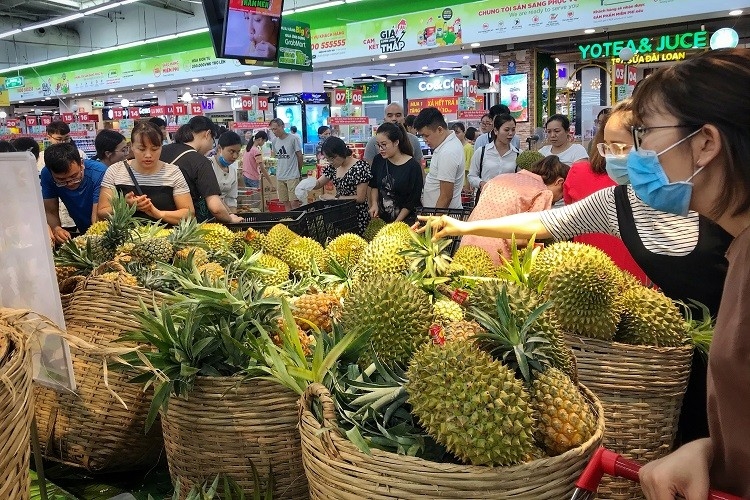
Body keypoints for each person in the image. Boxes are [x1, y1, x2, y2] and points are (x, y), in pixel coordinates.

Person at [418, 90, 733, 451]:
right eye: (607, 149)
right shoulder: (618, 204)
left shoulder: (718, 199)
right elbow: (543, 222)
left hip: (734, 344)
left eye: (624, 148)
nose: (614, 159)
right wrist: (463, 228)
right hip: (679, 350)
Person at [628, 49, 750, 500]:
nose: (636, 154)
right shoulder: (740, 249)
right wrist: (712, 451)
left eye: (645, 133)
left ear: (705, 143)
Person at [564, 101, 648, 285]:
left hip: (590, 282)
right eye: (608, 148)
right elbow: (555, 220)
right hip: (591, 282)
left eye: (619, 148)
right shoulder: (607, 193)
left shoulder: (660, 194)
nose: (611, 155)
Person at [461, 155, 569, 264]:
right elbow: (525, 237)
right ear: (559, 182)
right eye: (562, 195)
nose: (559, 200)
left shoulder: (499, 178)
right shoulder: (543, 193)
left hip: (467, 246)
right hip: (498, 256)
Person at [98, 121, 193, 225]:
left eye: (154, 149)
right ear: (132, 147)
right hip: (126, 239)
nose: (148, 155)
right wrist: (126, 205)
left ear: (161, 146)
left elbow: (189, 214)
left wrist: (159, 214)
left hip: (164, 238)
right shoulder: (115, 171)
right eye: (142, 149)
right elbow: (102, 212)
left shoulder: (173, 172)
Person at [161, 116, 241, 223]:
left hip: (155, 219)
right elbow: (216, 208)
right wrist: (231, 218)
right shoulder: (201, 162)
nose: (211, 147)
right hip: (183, 224)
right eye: (213, 140)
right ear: (207, 134)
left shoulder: (162, 150)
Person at [41, 143, 107, 241]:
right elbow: (50, 210)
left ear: (81, 164)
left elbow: (97, 216)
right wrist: (56, 228)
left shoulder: (99, 172)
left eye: (74, 176)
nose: (70, 183)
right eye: (61, 180)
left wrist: (94, 237)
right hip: (81, 227)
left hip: (101, 228)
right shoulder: (46, 174)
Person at [310, 136, 372, 234]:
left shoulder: (360, 167)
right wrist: (306, 184)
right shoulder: (333, 167)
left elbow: (361, 198)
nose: (330, 162)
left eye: (332, 158)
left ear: (341, 153)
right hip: (340, 214)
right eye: (328, 159)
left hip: (356, 215)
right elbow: (318, 183)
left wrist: (334, 198)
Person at [368, 122, 423, 224]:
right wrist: (374, 204)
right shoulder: (378, 161)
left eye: (384, 145)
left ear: (396, 142)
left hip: (406, 223)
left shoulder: (413, 167)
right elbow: (374, 185)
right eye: (378, 145)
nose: (381, 149)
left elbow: (412, 201)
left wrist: (396, 223)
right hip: (382, 221)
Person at [414, 107, 464, 209]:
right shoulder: (446, 145)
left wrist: (433, 222)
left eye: (426, 135)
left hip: (443, 219)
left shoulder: (448, 152)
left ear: (440, 130)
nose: (425, 140)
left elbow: (446, 196)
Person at [468, 114, 520, 196]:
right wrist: (481, 183)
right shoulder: (482, 152)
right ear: (496, 131)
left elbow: (521, 179)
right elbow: (472, 176)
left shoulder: (518, 154)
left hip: (508, 200)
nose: (511, 133)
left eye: (513, 130)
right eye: (506, 130)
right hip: (485, 200)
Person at [268, 117, 304, 210]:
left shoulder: (293, 139)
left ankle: (297, 222)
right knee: (285, 202)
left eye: (275, 129)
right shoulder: (274, 141)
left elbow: (299, 156)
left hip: (292, 176)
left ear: (282, 126)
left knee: (294, 203)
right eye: (272, 130)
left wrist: (299, 171)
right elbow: (276, 157)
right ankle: (290, 221)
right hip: (280, 176)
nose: (274, 131)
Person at [211, 131, 242, 210]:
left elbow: (231, 199)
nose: (235, 156)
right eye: (231, 151)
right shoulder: (208, 166)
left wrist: (232, 215)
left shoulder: (233, 171)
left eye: (238, 152)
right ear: (219, 149)